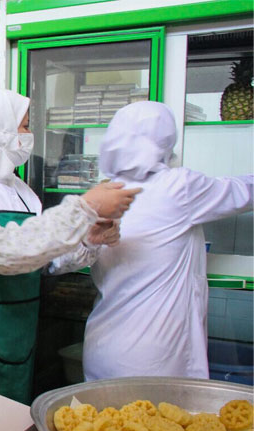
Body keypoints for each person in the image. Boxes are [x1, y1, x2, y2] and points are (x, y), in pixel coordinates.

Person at [0, 89, 140, 403]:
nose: (29, 135)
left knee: (5, 422)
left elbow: (43, 260)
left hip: (14, 331)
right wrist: (83, 208)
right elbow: (1, 252)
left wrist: (89, 239)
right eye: (25, 125)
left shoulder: (21, 191)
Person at [82, 101, 254, 381]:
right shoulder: (179, 187)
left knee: (103, 411)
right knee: (158, 411)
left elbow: (62, 256)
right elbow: (244, 192)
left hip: (103, 348)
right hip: (155, 357)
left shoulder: (104, 193)